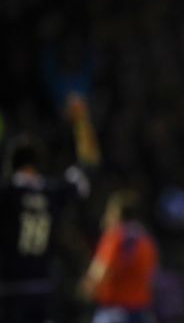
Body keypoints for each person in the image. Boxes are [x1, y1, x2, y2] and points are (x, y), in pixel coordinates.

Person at [0, 134, 90, 323]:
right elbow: (85, 171)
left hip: (10, 285)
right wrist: (81, 123)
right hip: (42, 283)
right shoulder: (52, 191)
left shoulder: (8, 192)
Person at [80, 189, 158, 323]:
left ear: (116, 214)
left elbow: (99, 274)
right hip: (141, 312)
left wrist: (84, 292)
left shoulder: (115, 237)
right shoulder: (147, 240)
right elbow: (152, 276)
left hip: (114, 312)